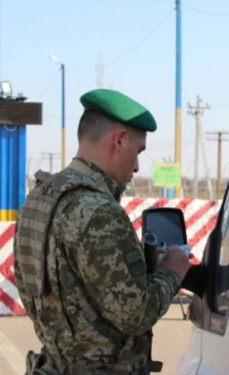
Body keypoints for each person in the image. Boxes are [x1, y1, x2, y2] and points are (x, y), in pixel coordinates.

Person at [14, 89, 191, 374]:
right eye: (138, 151)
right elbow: (136, 314)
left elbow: (33, 287)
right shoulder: (99, 212)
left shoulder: (38, 199)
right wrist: (171, 271)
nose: (136, 166)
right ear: (119, 140)